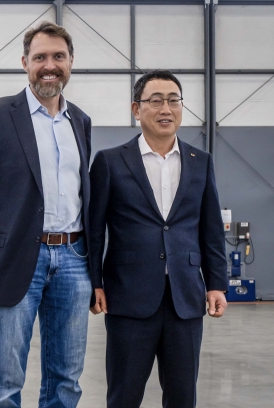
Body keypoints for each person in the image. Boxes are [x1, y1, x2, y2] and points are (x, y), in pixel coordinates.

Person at [0, 21, 93, 408]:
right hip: (16, 258)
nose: (49, 65)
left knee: (67, 376)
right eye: (40, 57)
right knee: (6, 377)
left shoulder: (80, 122)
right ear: (25, 62)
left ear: (70, 63)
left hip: (73, 258)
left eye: (58, 57)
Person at [88, 69, 228, 408]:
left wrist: (216, 284)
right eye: (155, 100)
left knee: (182, 397)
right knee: (124, 395)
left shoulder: (200, 162)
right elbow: (94, 229)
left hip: (185, 299)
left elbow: (209, 228)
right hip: (128, 298)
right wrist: (94, 282)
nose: (165, 108)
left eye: (173, 100)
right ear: (136, 109)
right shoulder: (110, 162)